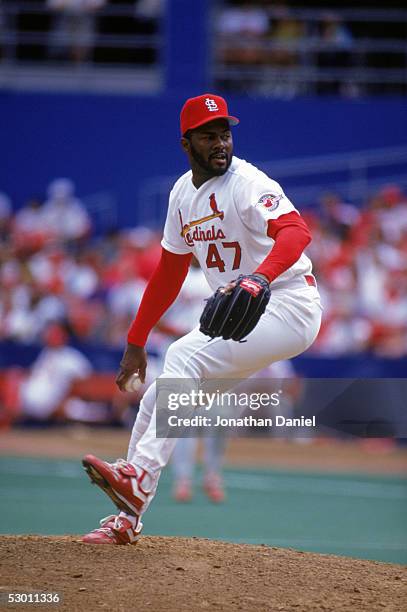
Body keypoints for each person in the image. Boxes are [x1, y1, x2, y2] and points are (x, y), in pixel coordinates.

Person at [81, 93, 322, 544]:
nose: (220, 143)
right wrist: (135, 341)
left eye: (225, 134)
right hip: (245, 310)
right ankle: (128, 519)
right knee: (158, 397)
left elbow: (296, 231)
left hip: (287, 304)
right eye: (208, 136)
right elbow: (170, 271)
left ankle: (139, 478)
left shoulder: (247, 182)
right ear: (185, 143)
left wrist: (260, 278)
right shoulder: (180, 194)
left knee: (183, 354)